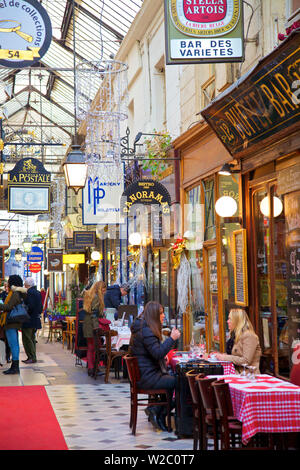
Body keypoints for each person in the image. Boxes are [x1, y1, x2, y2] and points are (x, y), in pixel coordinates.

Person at [129, 301, 181, 431]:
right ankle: (159, 410)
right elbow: (157, 353)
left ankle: (159, 411)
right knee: (182, 382)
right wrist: (172, 339)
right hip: (148, 377)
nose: (164, 316)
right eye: (161, 313)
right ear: (153, 315)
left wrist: (162, 356)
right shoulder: (147, 331)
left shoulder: (143, 328)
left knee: (176, 378)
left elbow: (152, 352)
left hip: (146, 374)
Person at [214, 308, 262, 373]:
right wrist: (220, 355)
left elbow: (246, 361)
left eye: (230, 319)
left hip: (248, 377)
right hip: (237, 374)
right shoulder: (236, 335)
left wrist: (225, 357)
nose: (227, 321)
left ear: (237, 321)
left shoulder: (249, 336)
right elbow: (235, 355)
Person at [0, 275, 26, 375]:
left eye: (10, 282)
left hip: (11, 322)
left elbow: (8, 307)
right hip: (12, 322)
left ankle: (15, 366)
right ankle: (14, 366)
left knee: (13, 344)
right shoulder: (16, 293)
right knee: (12, 344)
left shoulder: (15, 294)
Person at [82, 281, 106, 376]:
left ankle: (91, 368)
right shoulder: (96, 297)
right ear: (100, 288)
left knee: (90, 347)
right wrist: (96, 328)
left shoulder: (90, 295)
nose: (105, 291)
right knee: (95, 347)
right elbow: (95, 314)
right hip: (93, 325)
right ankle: (94, 368)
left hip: (87, 324)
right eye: (104, 289)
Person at [21, 277, 42, 364]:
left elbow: (30, 306)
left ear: (27, 285)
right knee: (32, 338)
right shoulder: (37, 292)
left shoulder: (29, 292)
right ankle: (32, 357)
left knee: (27, 339)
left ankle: (31, 357)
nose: (24, 286)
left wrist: (24, 310)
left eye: (25, 284)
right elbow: (40, 307)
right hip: (35, 319)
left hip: (28, 320)